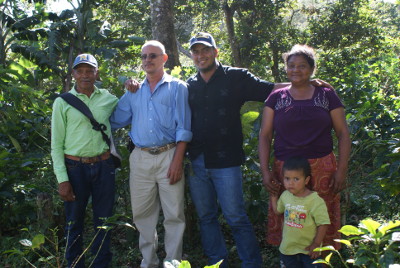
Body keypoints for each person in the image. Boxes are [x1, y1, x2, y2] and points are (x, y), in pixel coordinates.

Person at [124, 33, 331, 268]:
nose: (201, 55)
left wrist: (304, 82)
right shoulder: (189, 85)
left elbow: (269, 89)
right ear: (192, 56)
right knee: (206, 217)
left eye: (205, 50)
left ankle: (251, 263)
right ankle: (217, 263)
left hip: (227, 162)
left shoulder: (236, 77)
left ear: (215, 52)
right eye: (196, 51)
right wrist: (132, 83)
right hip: (198, 162)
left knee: (235, 217)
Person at [258, 44, 351, 250]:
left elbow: (343, 133)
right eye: (291, 66)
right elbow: (265, 135)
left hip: (322, 168)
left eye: (302, 66)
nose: (296, 70)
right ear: (286, 68)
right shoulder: (276, 98)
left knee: (320, 218)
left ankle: (320, 261)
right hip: (286, 170)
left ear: (311, 69)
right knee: (291, 218)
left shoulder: (326, 95)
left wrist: (341, 171)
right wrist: (265, 171)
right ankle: (290, 260)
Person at [110, 40, 192, 268]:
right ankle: (149, 262)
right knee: (142, 215)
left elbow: (184, 128)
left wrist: (177, 161)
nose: (148, 60)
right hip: (140, 157)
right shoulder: (134, 91)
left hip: (169, 155)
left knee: (174, 214)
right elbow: (115, 119)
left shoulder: (178, 88)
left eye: (153, 56)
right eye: (144, 56)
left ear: (164, 59)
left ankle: (173, 262)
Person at [51, 53, 119, 268]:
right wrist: (62, 179)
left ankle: (101, 264)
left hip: (104, 166)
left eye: (89, 70)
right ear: (73, 74)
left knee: (104, 221)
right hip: (74, 168)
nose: (85, 75)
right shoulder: (62, 103)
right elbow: (56, 145)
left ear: (96, 73)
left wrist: (132, 85)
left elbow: (131, 108)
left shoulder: (109, 98)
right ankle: (74, 264)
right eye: (80, 71)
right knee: (74, 222)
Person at [270, 156, 330, 268]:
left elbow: (323, 223)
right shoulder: (285, 196)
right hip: (288, 249)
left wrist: (316, 244)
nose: (290, 183)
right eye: (287, 178)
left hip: (309, 250)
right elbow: (278, 211)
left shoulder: (315, 201)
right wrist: (273, 197)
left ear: (306, 180)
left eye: (296, 179)